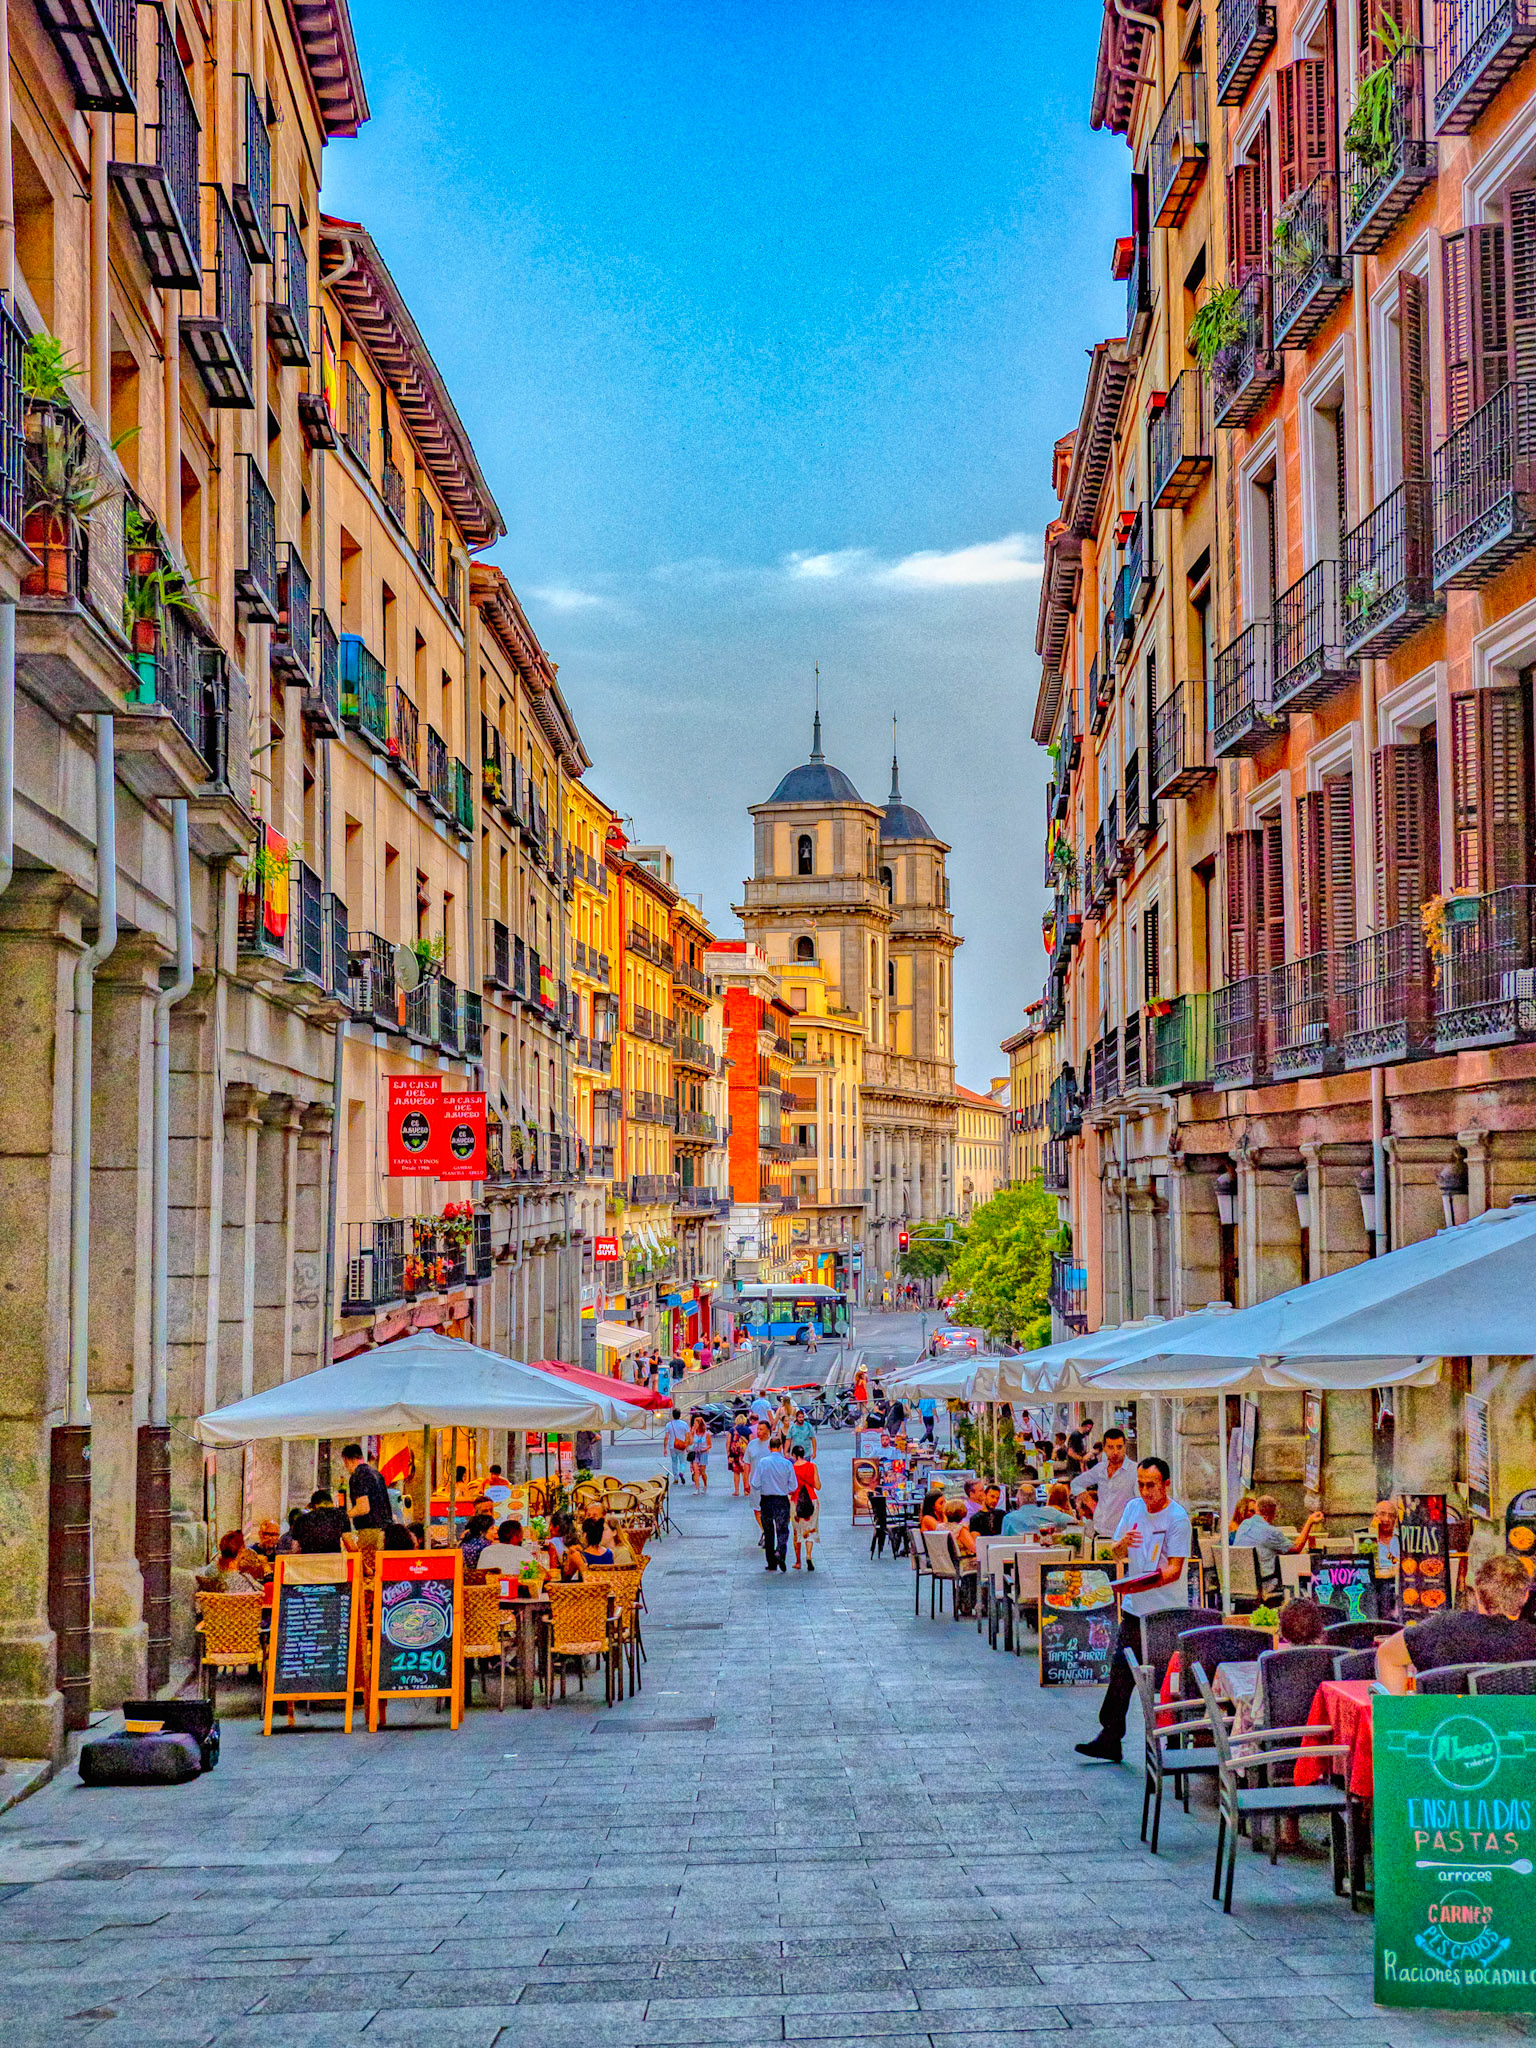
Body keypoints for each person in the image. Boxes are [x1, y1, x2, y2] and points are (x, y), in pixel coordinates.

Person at [1075, 1457, 1192, 1764]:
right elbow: (1113, 1550)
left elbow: (1175, 1569)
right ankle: (1110, 1737)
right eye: (1140, 1484)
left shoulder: (1177, 1519)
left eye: (1150, 1485)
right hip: (1133, 1609)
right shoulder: (1132, 1509)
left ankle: (1176, 1740)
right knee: (1120, 1673)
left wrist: (1137, 1585)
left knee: (1169, 1679)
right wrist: (1122, 1544)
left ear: (1166, 1484)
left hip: (1167, 1613)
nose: (1144, 1490)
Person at [1377, 1554, 1536, 1692]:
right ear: (1525, 1596)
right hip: (1517, 1727)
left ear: (1477, 1594)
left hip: (1444, 1725)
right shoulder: (1532, 1639)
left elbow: (1387, 1655)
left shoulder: (1442, 1627)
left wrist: (1401, 1718)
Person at [1231, 1496, 1325, 1581]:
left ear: (1257, 1509)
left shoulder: (1244, 1524)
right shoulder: (1270, 1532)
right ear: (1273, 1513)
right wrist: (1310, 1521)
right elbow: (1296, 1548)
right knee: (1293, 1578)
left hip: (1240, 1581)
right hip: (1263, 1583)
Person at [1069, 1426, 1138, 1541]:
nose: (1115, 1452)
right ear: (1104, 1448)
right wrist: (1090, 1502)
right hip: (1099, 1533)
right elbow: (1076, 1484)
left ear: (1125, 1447)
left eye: (1119, 1447)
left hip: (1123, 1535)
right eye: (1111, 1447)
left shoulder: (1135, 1470)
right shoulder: (1100, 1469)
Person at [750, 1435, 798, 1571]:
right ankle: (781, 1552)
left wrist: (764, 1486)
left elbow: (755, 1483)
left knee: (769, 1530)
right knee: (782, 1529)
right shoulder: (787, 1463)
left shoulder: (763, 1462)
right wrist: (784, 1489)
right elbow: (793, 1485)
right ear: (781, 1447)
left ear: (769, 1447)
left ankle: (771, 1561)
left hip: (766, 1499)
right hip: (781, 1499)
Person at [342, 1443, 394, 1532]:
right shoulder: (377, 1474)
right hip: (387, 1529)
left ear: (349, 1460)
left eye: (346, 1463)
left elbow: (363, 1508)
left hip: (370, 1530)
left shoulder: (357, 1476)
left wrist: (344, 1516)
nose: (346, 1467)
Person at [1002, 1479, 1081, 1537]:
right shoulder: (1050, 1512)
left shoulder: (1008, 1518)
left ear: (1018, 1500)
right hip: (1046, 1553)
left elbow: (1002, 1545)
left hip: (1016, 1555)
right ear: (1035, 1499)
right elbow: (1075, 1524)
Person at [196, 1531, 264, 1595]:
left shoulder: (211, 1572)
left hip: (215, 1606)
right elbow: (260, 1594)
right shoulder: (243, 1579)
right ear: (241, 1550)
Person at [293, 1488, 350, 1553]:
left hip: (308, 1561)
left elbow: (295, 1549)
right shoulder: (340, 1515)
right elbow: (349, 1544)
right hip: (333, 1560)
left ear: (313, 1505)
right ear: (331, 1503)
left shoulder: (301, 1519)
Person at [791, 1446, 820, 1570]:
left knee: (797, 1531)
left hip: (796, 1500)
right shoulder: (812, 1466)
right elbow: (818, 1486)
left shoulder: (792, 1468)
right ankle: (808, 1555)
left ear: (794, 1455)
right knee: (811, 1528)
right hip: (812, 1499)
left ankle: (798, 1561)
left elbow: (790, 1487)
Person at [663, 1407, 691, 1483]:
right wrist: (687, 1446)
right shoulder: (684, 1424)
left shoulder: (669, 1425)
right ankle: (681, 1472)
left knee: (674, 1462)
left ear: (673, 1415)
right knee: (683, 1461)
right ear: (680, 1415)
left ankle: (675, 1478)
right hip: (681, 1446)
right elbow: (687, 1437)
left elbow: (666, 1437)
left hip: (672, 1446)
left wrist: (665, 1448)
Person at [687, 1413, 711, 1489]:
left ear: (699, 1425)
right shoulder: (693, 1433)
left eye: (695, 1424)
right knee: (696, 1471)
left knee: (702, 1472)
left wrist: (704, 1449)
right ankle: (697, 1488)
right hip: (695, 1453)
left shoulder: (706, 1434)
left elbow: (709, 1445)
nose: (694, 1425)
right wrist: (691, 1433)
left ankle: (705, 1484)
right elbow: (690, 1442)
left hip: (703, 1453)